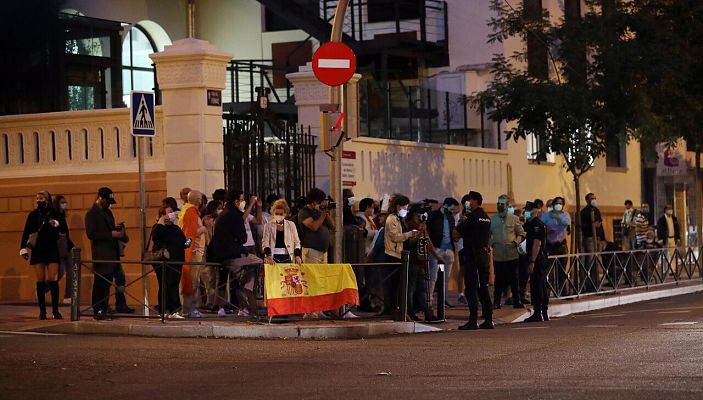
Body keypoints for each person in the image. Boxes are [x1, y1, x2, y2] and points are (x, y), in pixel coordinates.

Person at [208, 189, 258, 318]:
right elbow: (243, 238)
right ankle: (249, 308)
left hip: (220, 254)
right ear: (236, 202)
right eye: (241, 199)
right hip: (232, 256)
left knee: (225, 280)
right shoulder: (234, 215)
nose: (243, 202)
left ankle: (223, 308)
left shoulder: (224, 214)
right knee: (254, 267)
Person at [20, 191, 67, 320]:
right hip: (38, 250)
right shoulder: (33, 215)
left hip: (52, 249)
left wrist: (56, 224)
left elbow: (63, 230)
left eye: (41, 198)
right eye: (37, 198)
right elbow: (26, 232)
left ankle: (56, 311)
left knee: (53, 280)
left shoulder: (55, 213)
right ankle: (42, 311)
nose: (38, 200)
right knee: (40, 281)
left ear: (47, 199)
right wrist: (23, 248)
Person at [84, 187, 127, 320]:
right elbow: (91, 234)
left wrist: (117, 229)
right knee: (101, 283)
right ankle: (99, 309)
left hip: (113, 254)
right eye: (107, 201)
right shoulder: (92, 214)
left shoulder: (107, 212)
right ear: (101, 198)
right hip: (101, 255)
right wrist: (110, 234)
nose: (109, 204)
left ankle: (106, 307)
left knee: (112, 281)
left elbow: (109, 228)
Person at [456, 191, 494, 330]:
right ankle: (488, 319)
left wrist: (462, 220)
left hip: (473, 257)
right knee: (483, 288)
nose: (469, 203)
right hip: (483, 257)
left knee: (471, 289)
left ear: (476, 201)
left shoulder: (471, 218)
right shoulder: (486, 217)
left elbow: (455, 234)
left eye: (470, 200)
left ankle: (473, 320)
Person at [383, 194, 419, 320]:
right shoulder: (391, 219)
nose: (406, 210)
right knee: (394, 285)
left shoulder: (398, 219)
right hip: (392, 254)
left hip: (399, 254)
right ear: (398, 206)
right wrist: (409, 234)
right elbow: (395, 237)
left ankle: (398, 309)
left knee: (398, 285)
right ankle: (394, 310)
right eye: (405, 207)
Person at [490, 194, 525, 309]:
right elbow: (488, 235)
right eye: (498, 204)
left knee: (514, 279)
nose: (500, 206)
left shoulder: (514, 219)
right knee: (498, 280)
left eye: (502, 204)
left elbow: (521, 233)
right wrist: (491, 243)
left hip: (512, 255)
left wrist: (516, 242)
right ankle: (496, 302)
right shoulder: (493, 219)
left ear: (507, 205)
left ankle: (517, 300)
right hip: (498, 255)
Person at [151, 207, 187, 318]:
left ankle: (175, 310)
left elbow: (183, 242)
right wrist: (162, 220)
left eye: (172, 212)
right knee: (165, 285)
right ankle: (166, 311)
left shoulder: (176, 228)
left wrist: (188, 242)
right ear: (163, 215)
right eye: (169, 212)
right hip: (164, 261)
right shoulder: (159, 227)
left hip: (177, 261)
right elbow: (156, 236)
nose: (172, 214)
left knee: (174, 285)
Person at [426, 197, 459, 307]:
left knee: (445, 277)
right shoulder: (433, 215)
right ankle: (429, 300)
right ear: (446, 205)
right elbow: (428, 232)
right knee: (433, 276)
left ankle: (444, 299)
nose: (453, 211)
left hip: (448, 251)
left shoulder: (451, 217)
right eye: (452, 208)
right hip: (436, 249)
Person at [180, 190, 206, 318]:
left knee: (192, 280)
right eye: (200, 198)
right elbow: (190, 234)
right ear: (196, 200)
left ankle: (189, 309)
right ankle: (189, 309)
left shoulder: (187, 210)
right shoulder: (190, 212)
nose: (201, 200)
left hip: (192, 250)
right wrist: (204, 228)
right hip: (193, 251)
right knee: (193, 281)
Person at [523, 202, 549, 322]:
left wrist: (532, 261)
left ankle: (539, 313)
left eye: (528, 210)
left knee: (538, 286)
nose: (525, 212)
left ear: (534, 211)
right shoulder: (531, 224)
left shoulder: (536, 224)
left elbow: (537, 244)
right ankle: (543, 313)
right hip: (538, 258)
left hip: (538, 259)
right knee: (540, 285)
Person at [540, 196, 571, 294]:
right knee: (548, 271)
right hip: (550, 246)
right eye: (557, 203)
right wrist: (546, 230)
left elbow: (566, 224)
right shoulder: (546, 216)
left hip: (561, 245)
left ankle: (562, 291)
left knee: (562, 270)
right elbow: (540, 227)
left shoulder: (565, 215)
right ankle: (547, 292)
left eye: (560, 203)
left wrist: (557, 217)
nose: (558, 205)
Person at [298, 188, 335, 264]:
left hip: (323, 251)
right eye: (319, 201)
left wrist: (326, 211)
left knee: (322, 275)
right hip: (311, 251)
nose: (320, 203)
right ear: (312, 201)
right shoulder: (304, 212)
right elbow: (314, 227)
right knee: (312, 275)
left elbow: (332, 225)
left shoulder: (320, 212)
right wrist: (323, 213)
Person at [262, 199, 303, 264]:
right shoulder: (268, 226)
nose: (279, 216)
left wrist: (297, 256)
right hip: (272, 258)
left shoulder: (291, 225)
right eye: (276, 214)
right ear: (273, 213)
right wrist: (268, 256)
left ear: (285, 214)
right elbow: (265, 243)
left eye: (281, 214)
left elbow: (297, 242)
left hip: (288, 257)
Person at [52, 194, 75, 304]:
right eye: (62, 203)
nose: (64, 204)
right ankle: (45, 287)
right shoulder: (55, 216)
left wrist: (70, 244)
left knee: (71, 272)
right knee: (60, 272)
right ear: (57, 204)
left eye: (65, 202)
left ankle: (68, 296)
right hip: (58, 248)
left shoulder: (62, 216)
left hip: (67, 247)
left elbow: (65, 233)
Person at [580, 193, 605, 291]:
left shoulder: (597, 210)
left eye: (595, 198)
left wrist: (603, 239)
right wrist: (592, 225)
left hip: (598, 238)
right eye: (592, 198)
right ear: (587, 200)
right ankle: (588, 284)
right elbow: (583, 226)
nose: (594, 200)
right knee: (589, 262)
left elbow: (600, 225)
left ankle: (597, 283)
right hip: (589, 238)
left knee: (598, 262)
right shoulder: (584, 212)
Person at [201, 200, 222, 311]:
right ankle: (210, 302)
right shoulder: (207, 219)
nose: (220, 210)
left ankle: (215, 302)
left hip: (214, 252)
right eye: (219, 208)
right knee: (209, 279)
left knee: (215, 279)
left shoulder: (217, 219)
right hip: (206, 252)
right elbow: (209, 238)